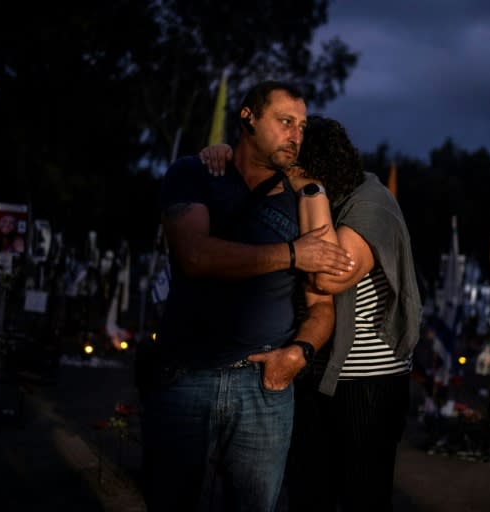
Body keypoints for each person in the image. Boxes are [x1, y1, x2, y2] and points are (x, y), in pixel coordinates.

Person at [139, 82, 354, 512]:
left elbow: (324, 298)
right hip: (186, 374)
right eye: (285, 121)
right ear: (248, 118)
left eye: (302, 126)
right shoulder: (195, 173)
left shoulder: (303, 197)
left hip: (265, 384)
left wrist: (299, 352)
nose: (296, 134)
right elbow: (195, 256)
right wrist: (292, 253)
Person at [200, 115, 423, 511]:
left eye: (288, 165)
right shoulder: (301, 195)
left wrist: (310, 190)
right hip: (312, 366)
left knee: (363, 497)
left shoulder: (369, 203)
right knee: (307, 493)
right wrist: (222, 156)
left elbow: (329, 278)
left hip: (366, 379)